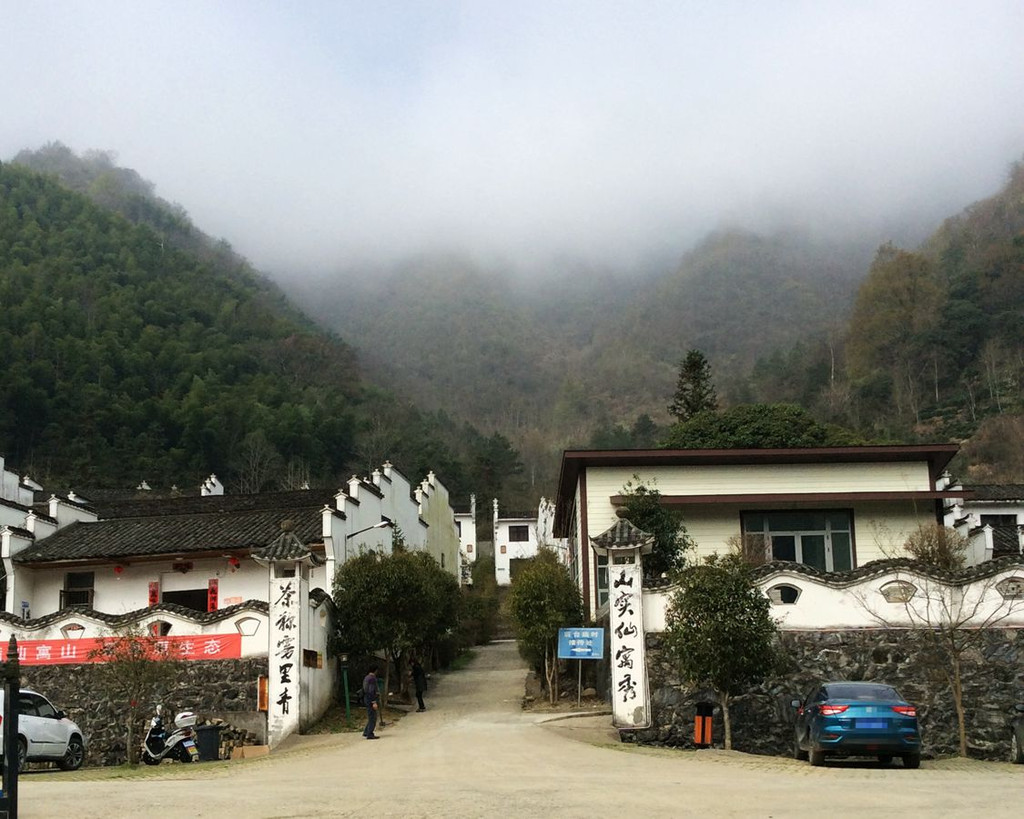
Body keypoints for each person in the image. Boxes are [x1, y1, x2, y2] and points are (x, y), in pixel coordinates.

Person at [362, 663, 380, 739]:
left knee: (370, 716)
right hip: (370, 699)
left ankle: (366, 731)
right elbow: (371, 690)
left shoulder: (366, 677)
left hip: (366, 698)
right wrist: (374, 702)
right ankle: (370, 733)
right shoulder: (372, 678)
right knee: (373, 717)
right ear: (375, 670)